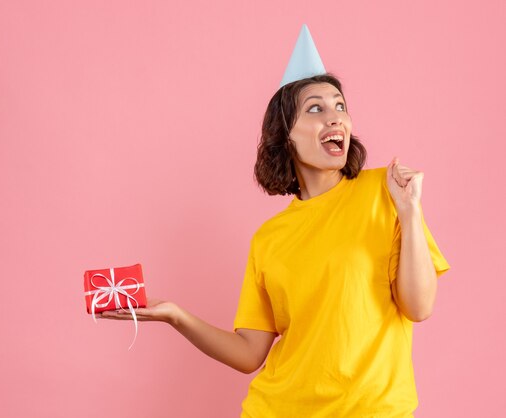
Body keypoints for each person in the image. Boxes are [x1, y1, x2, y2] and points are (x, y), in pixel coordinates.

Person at [100, 26, 450, 418]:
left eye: (340, 106)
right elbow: (250, 353)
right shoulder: (269, 239)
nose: (335, 118)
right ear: (286, 136)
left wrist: (410, 210)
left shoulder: (385, 192)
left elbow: (418, 307)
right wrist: (175, 314)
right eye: (316, 109)